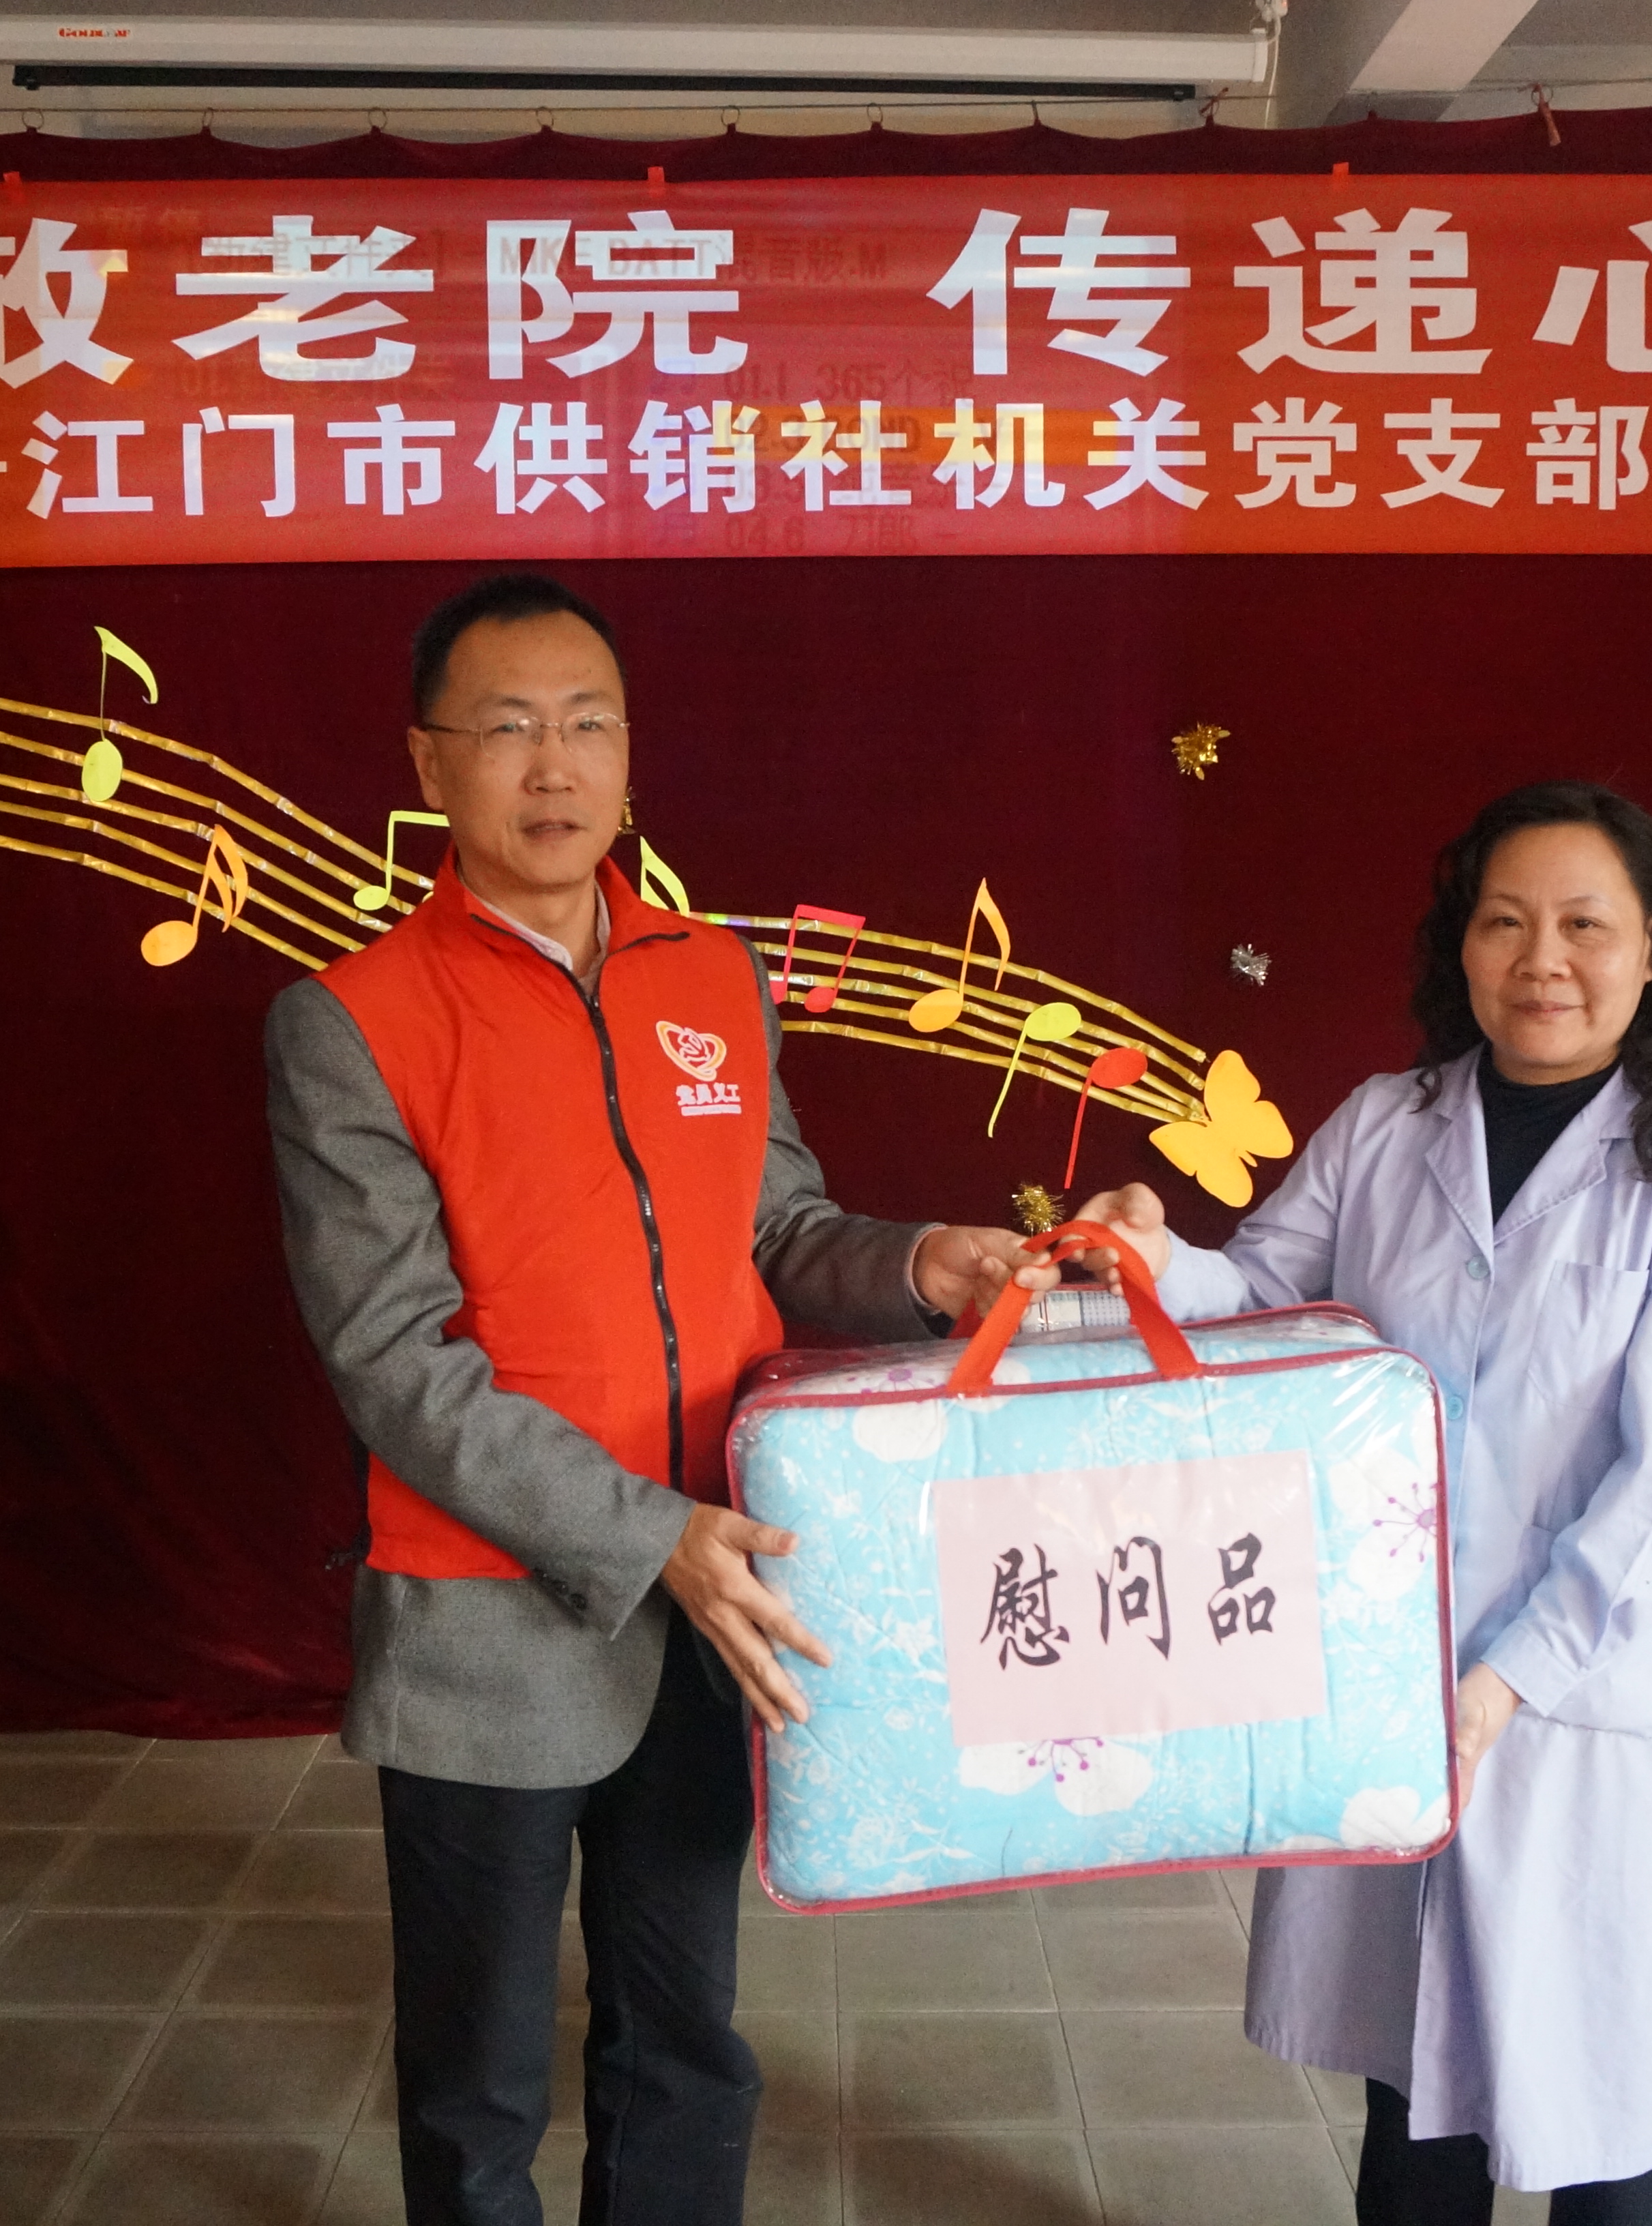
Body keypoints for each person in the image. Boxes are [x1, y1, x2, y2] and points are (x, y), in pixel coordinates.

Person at [265, 573, 1039, 2226]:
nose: (553, 767)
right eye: (507, 729)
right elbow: (395, 1361)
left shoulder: (712, 978)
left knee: (685, 2042)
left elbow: (778, 1228)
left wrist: (925, 1268)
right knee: (477, 2081)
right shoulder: (349, 1023)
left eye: (588, 725)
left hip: (713, 1606)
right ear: (427, 764)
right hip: (483, 1625)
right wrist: (650, 1535)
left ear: (629, 757)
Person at [1071, 780, 1652, 2225]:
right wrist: (1154, 1262)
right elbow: (1265, 1296)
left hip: (1571, 1703)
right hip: (1383, 1663)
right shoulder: (1384, 1125)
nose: (1542, 960)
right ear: (1460, 945)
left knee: (1603, 2084)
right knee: (1413, 2072)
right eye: (1504, 922)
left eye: (1584, 925)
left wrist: (1509, 1678)